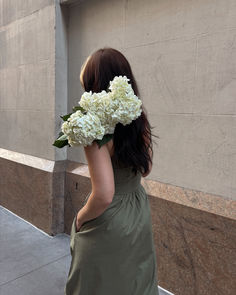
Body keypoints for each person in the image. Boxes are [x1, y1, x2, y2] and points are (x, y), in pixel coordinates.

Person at [64, 47, 160, 295]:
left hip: (108, 218)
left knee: (97, 285)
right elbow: (145, 169)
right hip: (138, 211)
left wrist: (80, 218)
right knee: (134, 282)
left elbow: (105, 194)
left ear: (94, 86)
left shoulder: (92, 128)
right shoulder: (139, 119)